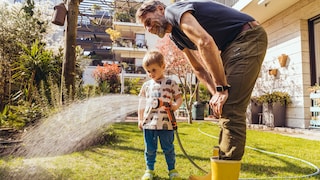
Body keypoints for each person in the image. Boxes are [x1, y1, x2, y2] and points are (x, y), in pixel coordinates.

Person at [136, 0, 268, 175]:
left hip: (246, 38)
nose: (148, 28)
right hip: (231, 46)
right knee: (224, 107)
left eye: (148, 22)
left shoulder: (174, 11)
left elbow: (205, 42)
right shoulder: (176, 36)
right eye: (145, 27)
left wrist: (221, 88)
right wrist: (216, 94)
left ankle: (224, 177)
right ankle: (219, 172)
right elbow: (198, 69)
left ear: (160, 9)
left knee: (231, 108)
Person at [138, 50, 183, 180]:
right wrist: (140, 119)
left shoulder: (171, 83)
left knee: (168, 148)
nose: (151, 74)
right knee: (150, 150)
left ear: (163, 66)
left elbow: (179, 98)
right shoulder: (146, 85)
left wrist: (175, 105)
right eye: (148, 71)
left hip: (166, 124)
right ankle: (149, 170)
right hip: (149, 124)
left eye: (153, 70)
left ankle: (172, 170)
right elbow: (141, 103)